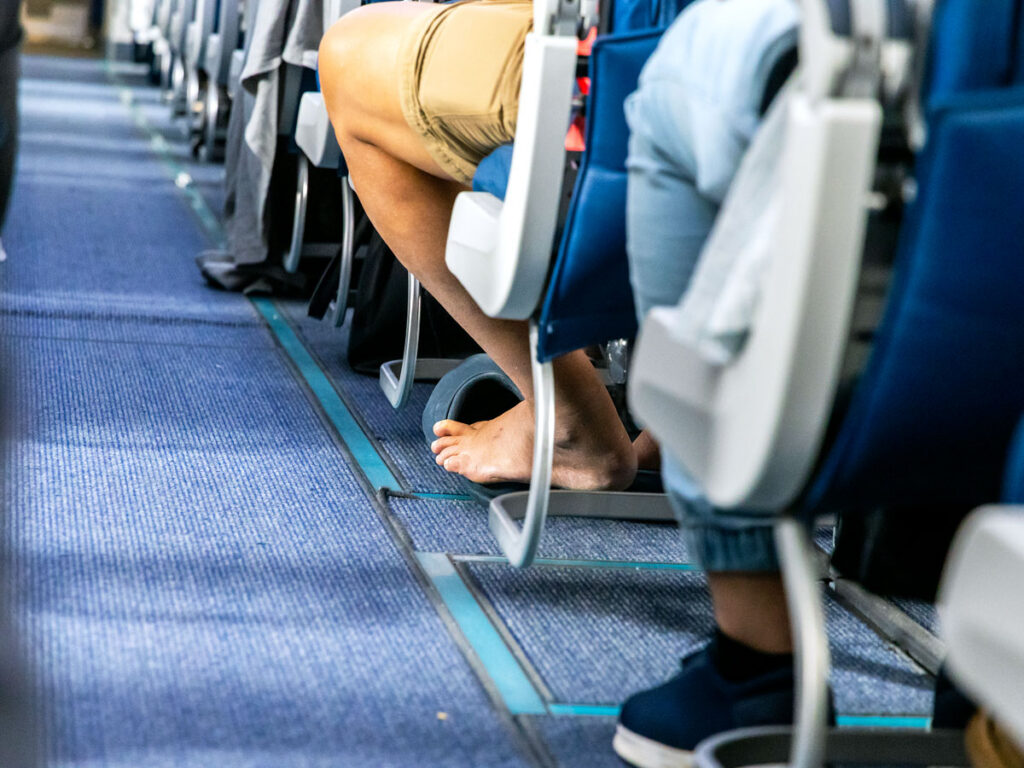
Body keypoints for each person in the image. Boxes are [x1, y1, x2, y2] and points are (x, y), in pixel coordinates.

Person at [317, 0, 640, 493]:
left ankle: (570, 417)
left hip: (644, 53)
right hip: (772, 64)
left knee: (348, 53)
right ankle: (676, 420)